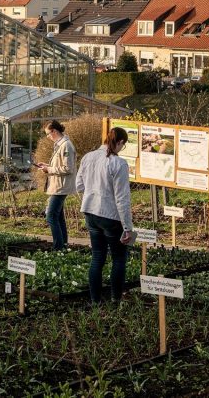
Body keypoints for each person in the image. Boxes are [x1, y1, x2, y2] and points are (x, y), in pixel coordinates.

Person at [75, 126, 134, 303]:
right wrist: (127, 227)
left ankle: (95, 300)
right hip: (110, 216)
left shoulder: (88, 157)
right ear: (120, 142)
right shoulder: (119, 163)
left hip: (90, 212)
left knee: (97, 256)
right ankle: (116, 299)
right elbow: (122, 198)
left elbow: (79, 185)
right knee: (118, 258)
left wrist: (89, 198)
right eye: (123, 146)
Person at [36, 120, 77, 250]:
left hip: (61, 187)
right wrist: (47, 166)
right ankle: (63, 245)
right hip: (57, 185)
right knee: (58, 217)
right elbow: (60, 165)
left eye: (48, 134)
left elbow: (68, 168)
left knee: (51, 216)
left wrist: (49, 170)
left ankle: (58, 248)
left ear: (54, 131)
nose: (48, 137)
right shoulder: (60, 144)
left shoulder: (66, 146)